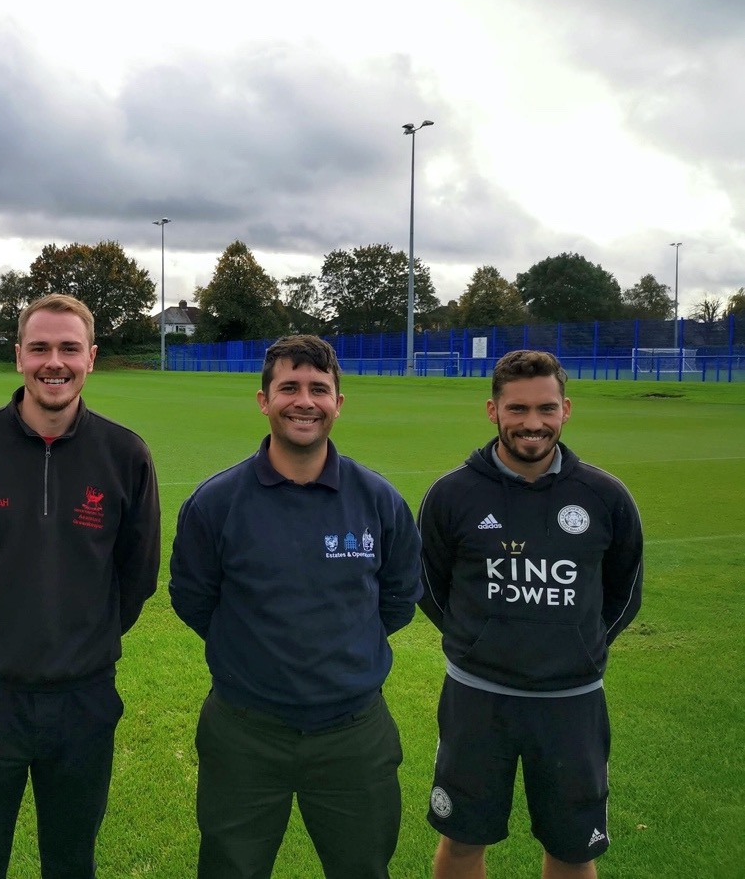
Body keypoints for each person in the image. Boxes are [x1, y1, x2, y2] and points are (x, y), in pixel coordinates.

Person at [169, 334, 423, 879]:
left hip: (353, 734)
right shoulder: (216, 502)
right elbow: (193, 599)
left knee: (363, 869)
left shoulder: (378, 500)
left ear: (338, 402)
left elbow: (399, 599)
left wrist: (344, 654)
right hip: (244, 733)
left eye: (318, 389)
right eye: (289, 387)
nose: (303, 401)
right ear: (264, 400)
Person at [0, 292, 161, 879]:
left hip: (83, 701)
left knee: (71, 860)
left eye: (67, 348)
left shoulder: (125, 453)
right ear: (18, 357)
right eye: (39, 348)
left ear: (91, 357)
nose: (52, 362)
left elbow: (135, 578)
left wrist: (79, 640)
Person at [418, 349, 644, 879]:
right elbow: (429, 585)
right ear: (492, 411)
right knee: (463, 841)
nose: (533, 423)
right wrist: (477, 642)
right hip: (478, 698)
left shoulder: (605, 497)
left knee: (572, 849)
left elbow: (624, 592)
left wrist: (578, 646)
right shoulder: (453, 494)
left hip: (571, 703)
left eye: (546, 409)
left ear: (566, 410)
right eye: (517, 409)